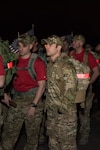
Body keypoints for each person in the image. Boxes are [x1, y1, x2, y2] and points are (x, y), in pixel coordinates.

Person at [1, 34, 47, 150]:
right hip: (16, 100)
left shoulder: (37, 62)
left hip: (32, 100)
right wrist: (5, 94)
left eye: (24, 46)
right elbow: (5, 77)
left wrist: (34, 105)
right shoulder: (13, 60)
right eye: (19, 45)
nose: (20, 48)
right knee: (9, 133)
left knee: (32, 136)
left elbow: (42, 86)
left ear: (31, 46)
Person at [41, 35, 78, 150]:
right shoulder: (50, 64)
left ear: (58, 47)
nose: (46, 46)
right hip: (52, 114)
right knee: (53, 145)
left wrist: (61, 110)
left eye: (50, 44)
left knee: (67, 146)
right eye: (45, 44)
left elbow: (71, 90)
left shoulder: (65, 64)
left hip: (65, 115)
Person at [70, 34, 99, 145]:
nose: (72, 43)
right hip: (72, 90)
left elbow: (96, 72)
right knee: (72, 114)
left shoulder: (88, 56)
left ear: (80, 43)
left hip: (85, 91)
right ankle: (72, 135)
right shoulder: (71, 54)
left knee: (84, 114)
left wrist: (88, 84)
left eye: (74, 41)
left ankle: (84, 136)